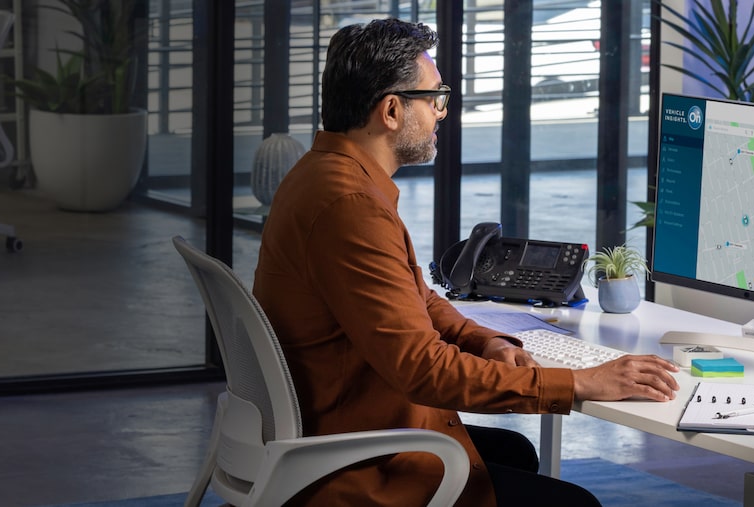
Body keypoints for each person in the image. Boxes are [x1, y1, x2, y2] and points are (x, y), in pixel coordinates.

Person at [253, 18, 681, 507]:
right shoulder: (350, 207)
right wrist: (579, 381)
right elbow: (423, 370)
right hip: (358, 464)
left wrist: (486, 340)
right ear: (392, 110)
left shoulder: (328, 176)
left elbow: (418, 299)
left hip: (347, 421)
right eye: (435, 98)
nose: (441, 113)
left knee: (515, 451)